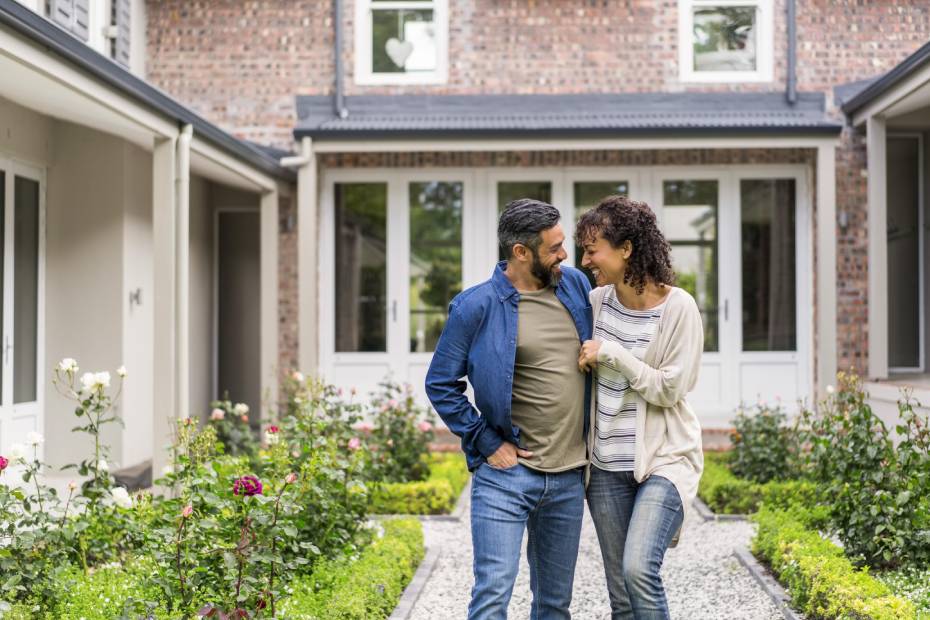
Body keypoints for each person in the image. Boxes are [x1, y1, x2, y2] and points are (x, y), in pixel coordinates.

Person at [425, 198, 593, 620]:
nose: (564, 255)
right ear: (521, 252)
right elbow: (441, 383)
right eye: (554, 247)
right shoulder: (475, 306)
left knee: (554, 605)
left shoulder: (575, 286)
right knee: (492, 597)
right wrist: (485, 440)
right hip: (506, 476)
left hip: (569, 476)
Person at [575, 195, 704, 620]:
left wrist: (613, 354)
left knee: (639, 570)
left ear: (626, 248)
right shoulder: (596, 304)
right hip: (606, 466)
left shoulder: (678, 308)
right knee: (622, 597)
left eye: (593, 248)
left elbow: (669, 389)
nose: (586, 258)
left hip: (665, 458)